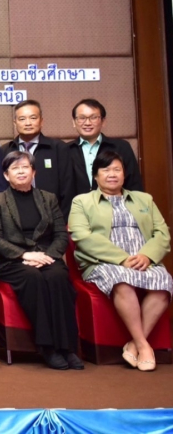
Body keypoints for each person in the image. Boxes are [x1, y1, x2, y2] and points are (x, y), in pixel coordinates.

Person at [69, 150, 171, 372]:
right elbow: (82, 237)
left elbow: (162, 233)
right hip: (103, 262)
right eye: (106, 170)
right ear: (95, 175)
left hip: (144, 260)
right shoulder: (82, 202)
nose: (112, 174)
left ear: (124, 174)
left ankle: (134, 344)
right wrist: (122, 259)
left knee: (164, 283)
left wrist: (147, 256)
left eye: (117, 169)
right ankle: (144, 346)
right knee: (121, 281)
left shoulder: (144, 199)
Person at [0, 151, 82, 370]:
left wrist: (48, 256)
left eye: (25, 167)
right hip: (13, 261)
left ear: (34, 172)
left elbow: (61, 234)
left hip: (47, 257)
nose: (21, 172)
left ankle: (67, 347)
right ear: (6, 175)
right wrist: (24, 255)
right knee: (33, 278)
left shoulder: (48, 198)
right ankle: (47, 347)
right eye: (15, 168)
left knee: (58, 277)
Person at [1, 100, 74, 217]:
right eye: (22, 119)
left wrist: (62, 219)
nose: (28, 123)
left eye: (33, 118)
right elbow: (1, 187)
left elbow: (68, 187)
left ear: (41, 121)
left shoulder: (58, 148)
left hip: (52, 215)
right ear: (15, 123)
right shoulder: (5, 150)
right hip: (15, 217)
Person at [68, 98, 143, 196]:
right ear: (74, 122)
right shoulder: (65, 150)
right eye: (82, 118)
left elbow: (134, 183)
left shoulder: (121, 147)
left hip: (113, 204)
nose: (87, 123)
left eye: (93, 117)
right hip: (75, 205)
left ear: (103, 121)